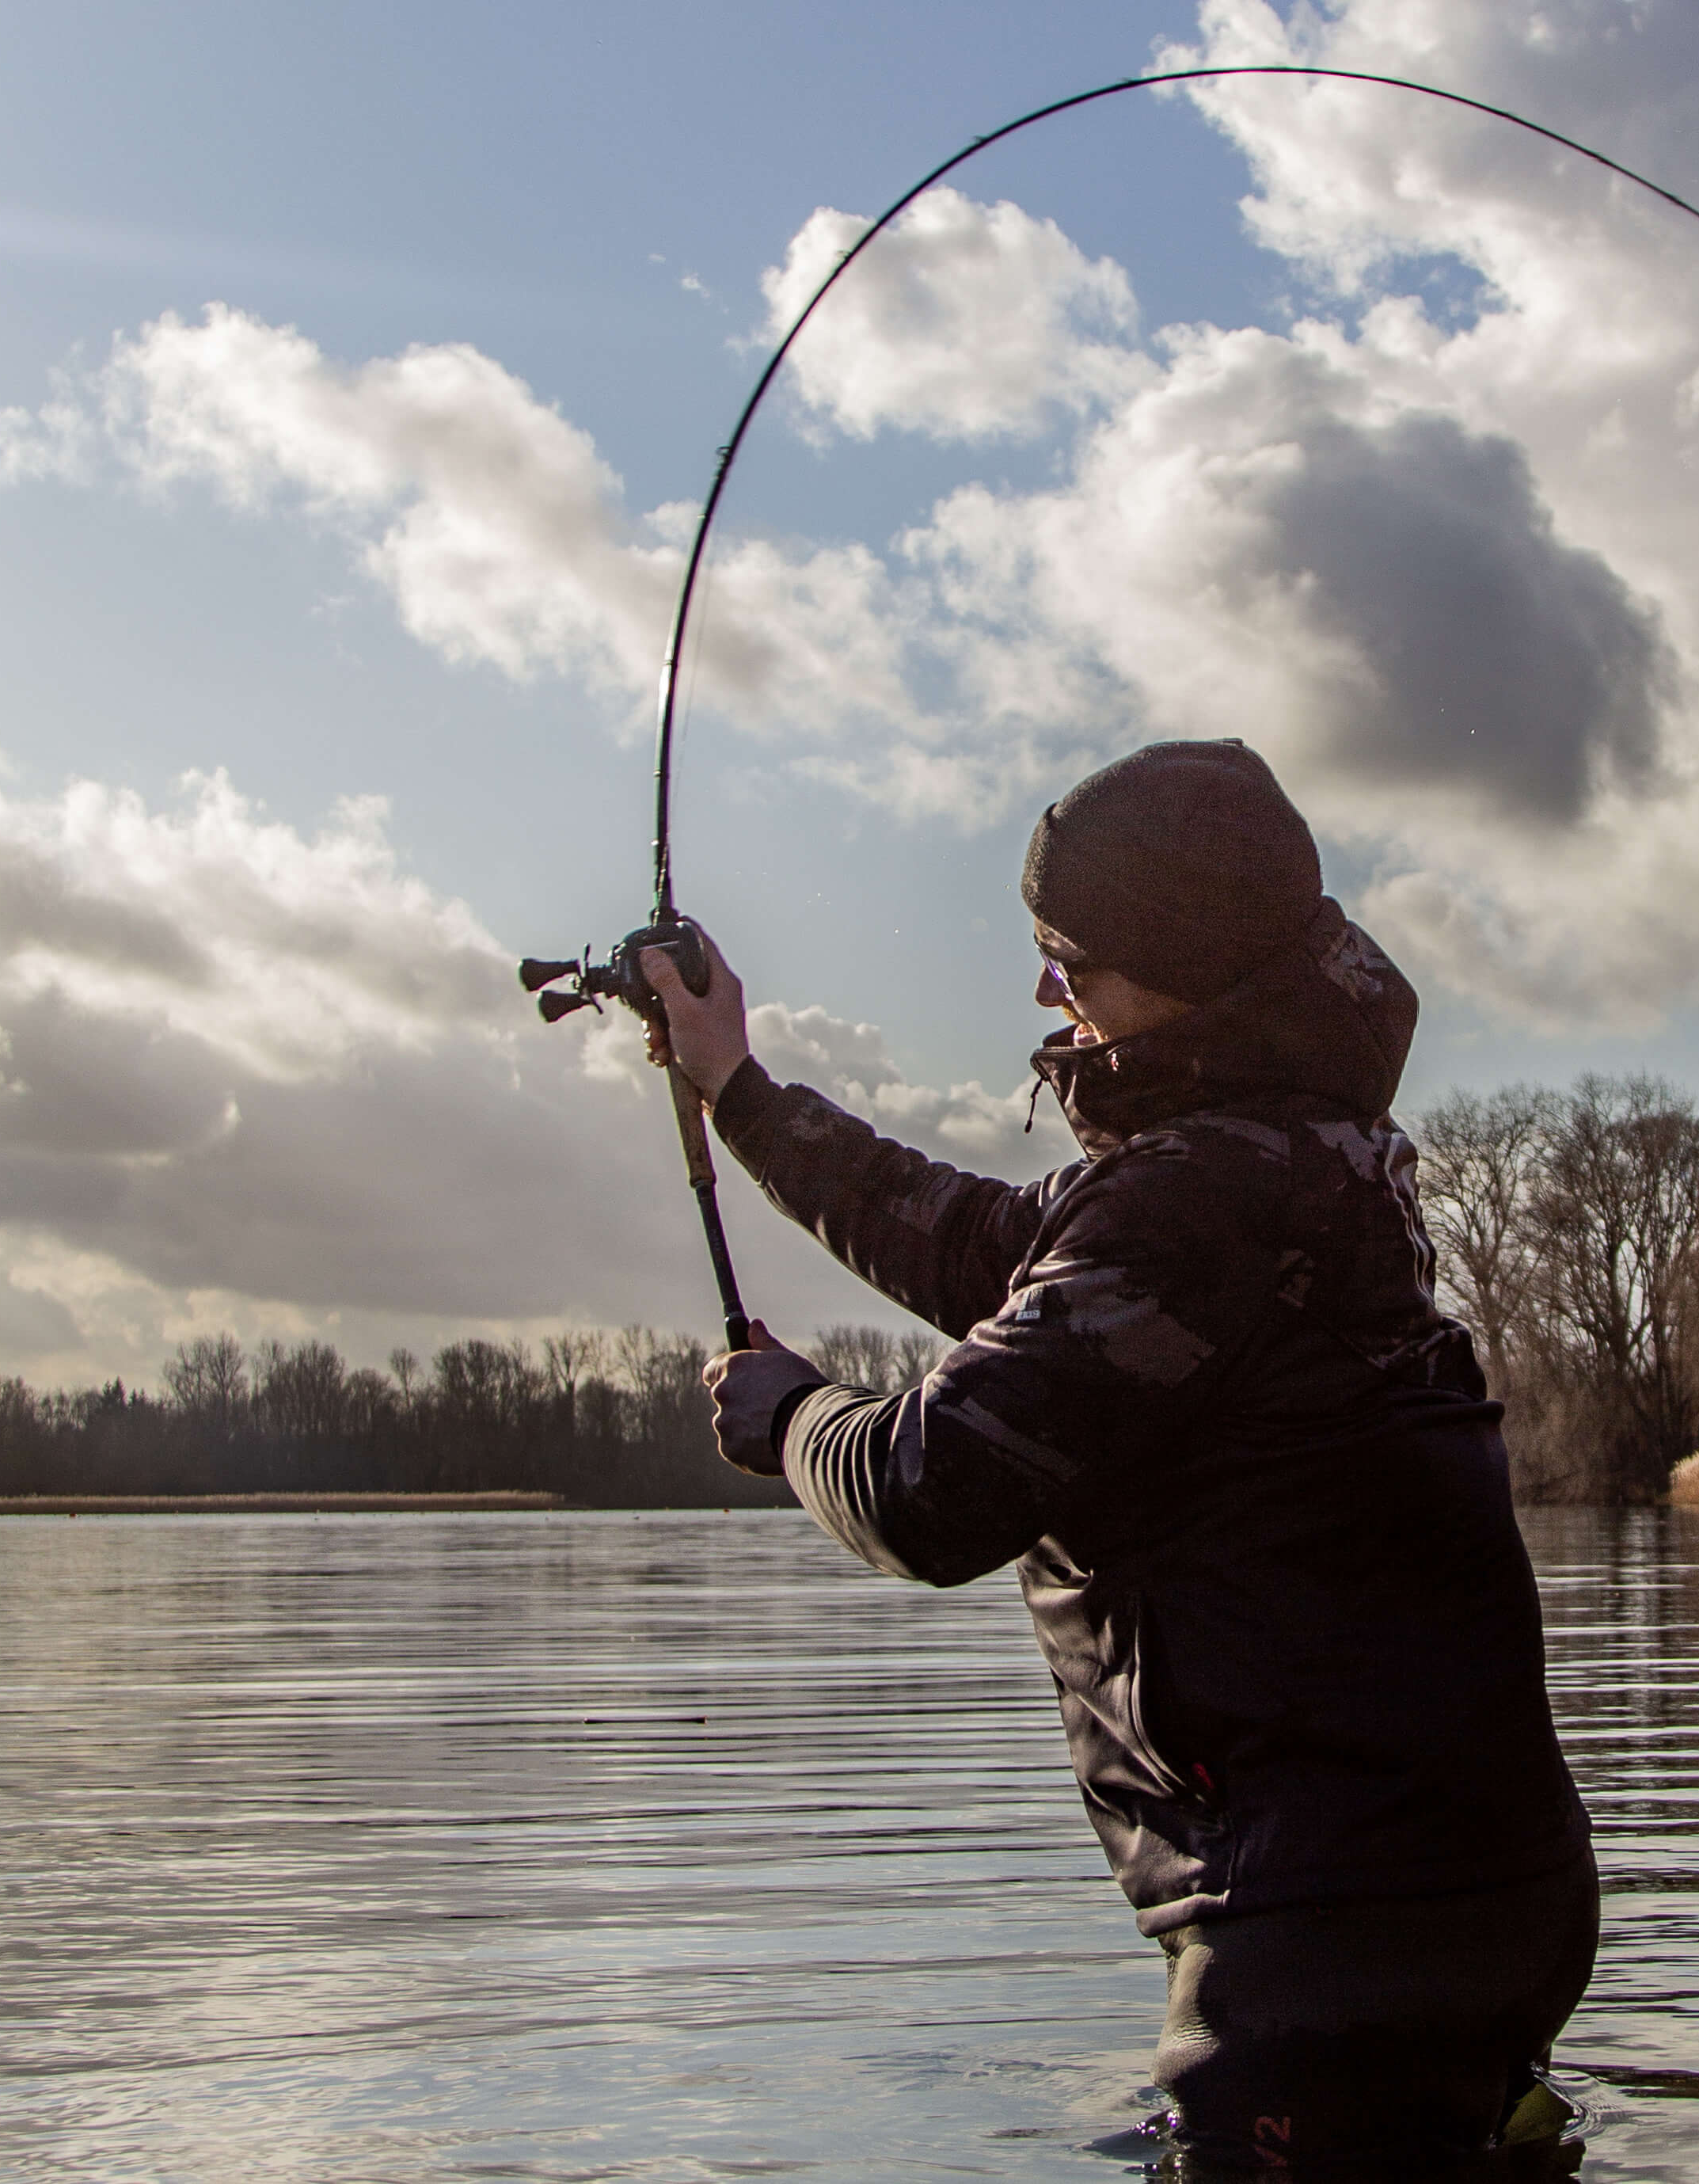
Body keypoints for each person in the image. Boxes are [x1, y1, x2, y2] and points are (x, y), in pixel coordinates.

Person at [643, 740, 1594, 2174]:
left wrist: (787, 1418)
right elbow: (981, 1243)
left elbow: (926, 1487)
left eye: (1069, 954)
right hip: (1456, 1913)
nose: (1047, 988)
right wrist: (738, 1086)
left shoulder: (1197, 1199)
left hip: (1324, 1957)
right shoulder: (1291, 1153)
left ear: (1185, 963)